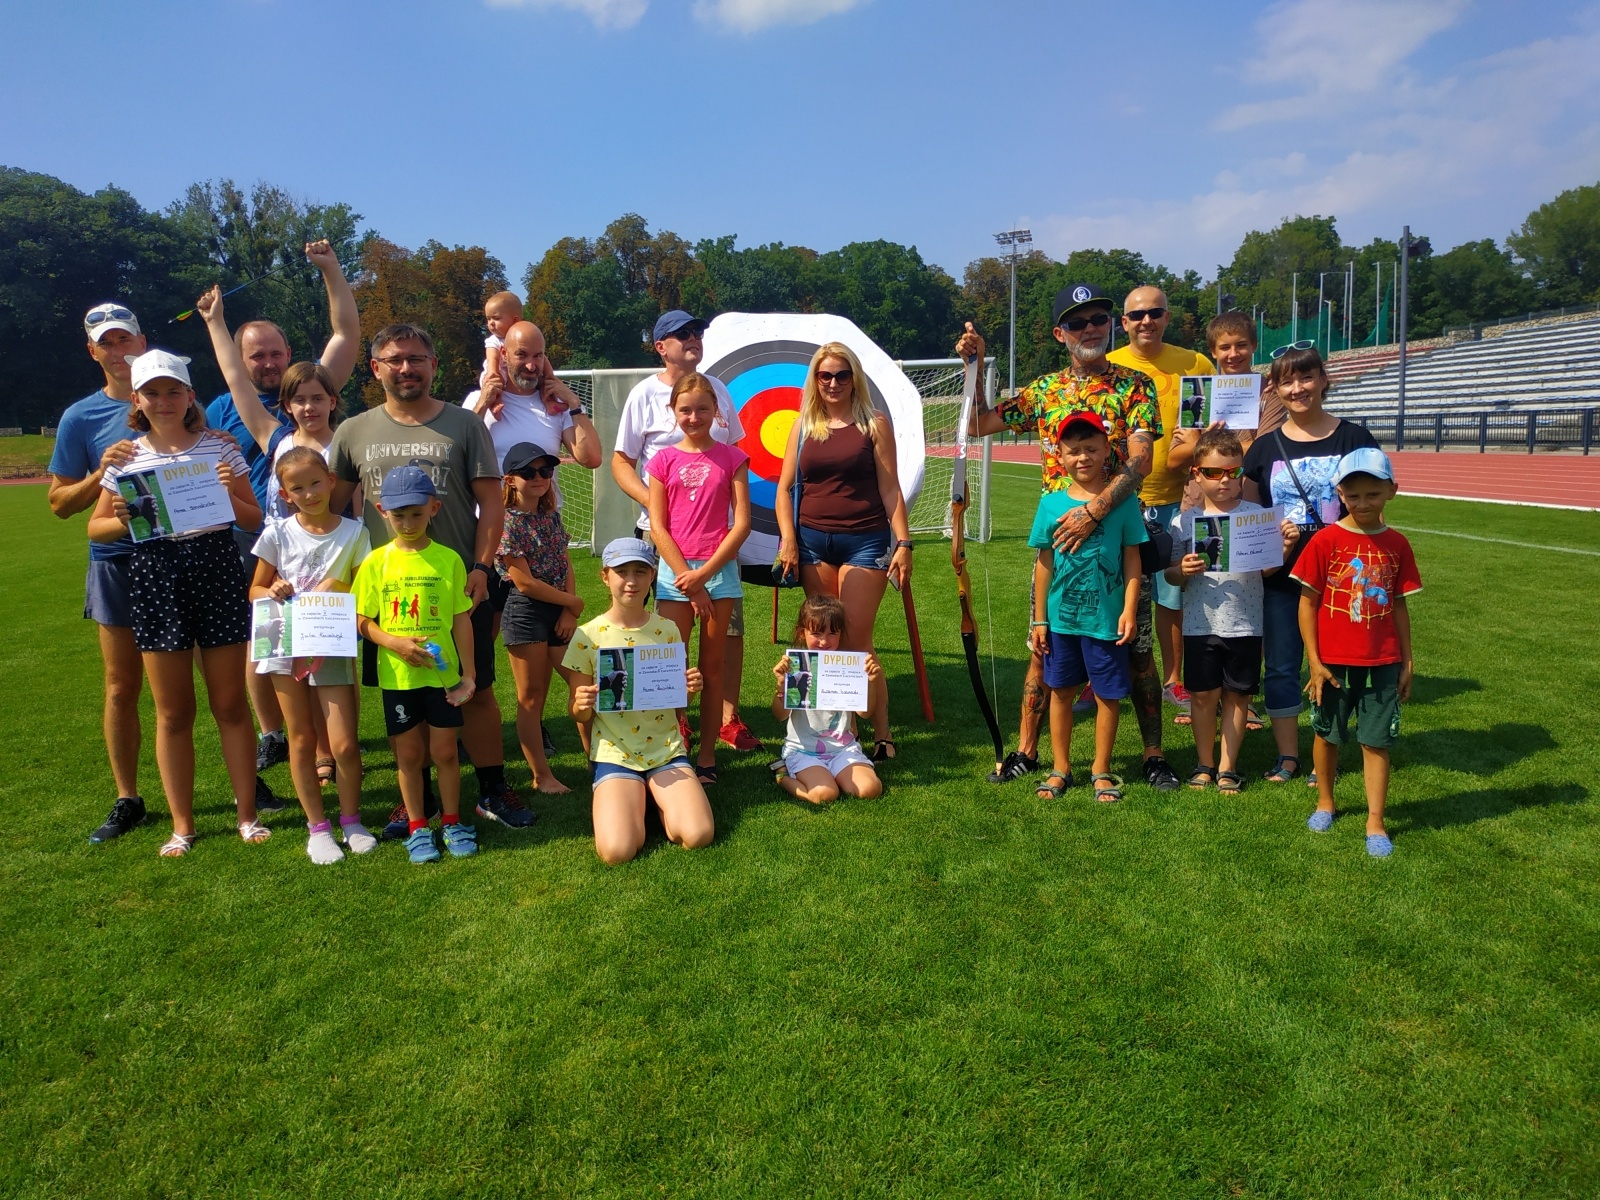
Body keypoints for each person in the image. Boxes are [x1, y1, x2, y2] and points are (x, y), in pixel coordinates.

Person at [959, 286, 1178, 791]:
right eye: (1078, 324)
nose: (1090, 329)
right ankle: (1029, 752)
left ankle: (1152, 755)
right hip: (1059, 539)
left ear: (1111, 325)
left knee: (1136, 647)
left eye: (1099, 319)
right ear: (1061, 334)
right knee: (1046, 651)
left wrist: (1097, 511)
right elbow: (978, 421)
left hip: (1119, 535)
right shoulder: (1044, 391)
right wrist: (979, 363)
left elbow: (1141, 459)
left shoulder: (1134, 385)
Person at [327, 324, 526, 830]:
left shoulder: (464, 425)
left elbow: (490, 504)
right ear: (376, 369)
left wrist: (483, 568)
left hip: (458, 586)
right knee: (404, 697)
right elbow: (331, 512)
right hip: (390, 593)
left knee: (474, 688)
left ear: (434, 364)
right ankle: (418, 799)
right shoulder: (353, 431)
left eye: (416, 358)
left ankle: (491, 789)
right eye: (394, 360)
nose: (406, 368)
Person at [85, 350, 266, 857]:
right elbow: (95, 528)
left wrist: (230, 497)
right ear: (138, 400)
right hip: (155, 574)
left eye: (173, 391)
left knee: (230, 704)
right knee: (173, 712)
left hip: (215, 569)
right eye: (153, 393)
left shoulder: (220, 447)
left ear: (189, 396)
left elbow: (253, 522)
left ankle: (246, 814)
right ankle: (182, 825)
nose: (164, 401)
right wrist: (121, 517)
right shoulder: (125, 457)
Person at [205, 241, 360, 780]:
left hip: (336, 565)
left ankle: (337, 750)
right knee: (287, 663)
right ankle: (310, 750)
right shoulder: (273, 438)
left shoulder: (346, 442)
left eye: (320, 398)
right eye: (301, 400)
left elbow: (346, 334)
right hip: (281, 567)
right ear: (289, 405)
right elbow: (233, 377)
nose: (310, 407)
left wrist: (331, 271)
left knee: (329, 664)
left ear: (333, 399)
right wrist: (215, 322)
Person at [611, 310, 761, 753]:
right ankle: (674, 725)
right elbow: (622, 461)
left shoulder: (719, 392)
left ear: (712, 410)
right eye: (681, 335)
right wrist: (658, 502)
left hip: (715, 550)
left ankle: (727, 720)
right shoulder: (643, 395)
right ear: (661, 346)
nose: (692, 339)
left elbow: (730, 457)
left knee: (726, 634)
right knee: (661, 645)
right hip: (663, 541)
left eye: (696, 332)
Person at [1241, 345, 1380, 785]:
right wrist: (1270, 546)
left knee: (1341, 666)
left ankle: (1332, 749)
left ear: (1323, 378)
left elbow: (1373, 508)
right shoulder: (1264, 448)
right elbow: (1247, 518)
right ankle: (1288, 756)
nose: (1297, 388)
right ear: (1275, 390)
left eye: (1305, 378)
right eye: (1286, 381)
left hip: (1343, 578)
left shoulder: (1355, 438)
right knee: (1282, 666)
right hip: (1283, 576)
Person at [774, 342, 912, 760]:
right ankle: (841, 730)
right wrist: (789, 539)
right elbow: (784, 490)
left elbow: (890, 488)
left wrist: (903, 543)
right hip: (813, 543)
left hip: (865, 540)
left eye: (842, 375)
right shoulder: (803, 426)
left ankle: (882, 731)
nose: (833, 383)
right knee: (824, 639)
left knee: (855, 640)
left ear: (855, 378)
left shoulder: (874, 423)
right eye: (825, 375)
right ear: (815, 379)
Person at [48, 303, 149, 841]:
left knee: (213, 682)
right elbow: (60, 503)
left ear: (142, 340)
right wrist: (99, 474)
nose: (118, 350)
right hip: (115, 564)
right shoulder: (79, 417)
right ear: (93, 352)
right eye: (106, 343)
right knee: (120, 687)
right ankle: (127, 797)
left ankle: (247, 781)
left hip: (180, 559)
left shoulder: (177, 399)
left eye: (125, 339)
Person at [248, 448, 374, 863]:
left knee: (344, 744)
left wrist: (341, 587)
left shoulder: (354, 533)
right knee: (300, 738)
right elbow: (254, 591)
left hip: (331, 642)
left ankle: (352, 820)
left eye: (316, 482)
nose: (309, 493)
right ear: (285, 494)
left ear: (332, 481)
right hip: (283, 641)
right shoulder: (277, 534)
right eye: (297, 488)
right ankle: (317, 827)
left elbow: (363, 590)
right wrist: (273, 590)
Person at [1293, 449, 1420, 857]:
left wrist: (1407, 659)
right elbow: (1307, 602)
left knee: (1376, 741)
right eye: (1353, 495)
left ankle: (1375, 820)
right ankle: (1326, 801)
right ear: (1340, 494)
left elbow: (1399, 604)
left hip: (1383, 661)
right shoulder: (1325, 540)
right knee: (1327, 734)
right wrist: (1313, 660)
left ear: (1392, 492)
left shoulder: (1398, 544)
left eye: (1373, 494)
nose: (1363, 503)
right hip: (1331, 662)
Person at [563, 538, 715, 866]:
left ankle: (654, 801)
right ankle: (633, 798)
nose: (631, 581)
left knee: (698, 835)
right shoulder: (588, 636)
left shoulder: (668, 630)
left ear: (652, 576)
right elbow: (577, 713)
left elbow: (677, 704)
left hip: (666, 749)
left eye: (640, 572)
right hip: (615, 753)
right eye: (622, 572)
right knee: (617, 851)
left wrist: (690, 689)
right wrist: (582, 702)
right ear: (605, 576)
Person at [353, 466, 479, 864]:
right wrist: (393, 642)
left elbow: (461, 620)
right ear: (381, 511)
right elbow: (359, 619)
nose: (407, 523)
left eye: (416, 514)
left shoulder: (449, 560)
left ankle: (454, 821)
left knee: (444, 752)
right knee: (408, 756)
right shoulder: (375, 563)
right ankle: (418, 827)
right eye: (398, 515)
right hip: (399, 677)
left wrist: (468, 675)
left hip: (444, 678)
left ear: (434, 508)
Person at [1164, 429, 1300, 794]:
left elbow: (1268, 570)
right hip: (1198, 624)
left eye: (1232, 472)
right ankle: (1204, 763)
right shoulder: (1183, 521)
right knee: (1204, 696)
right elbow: (1171, 576)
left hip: (1244, 624)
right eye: (1213, 472)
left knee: (1238, 697)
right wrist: (1183, 570)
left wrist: (1284, 548)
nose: (1224, 480)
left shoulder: (1257, 515)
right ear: (1196, 474)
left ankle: (1228, 767)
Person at [1107, 286, 1216, 722]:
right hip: (1123, 499)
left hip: (1179, 497)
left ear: (1167, 317)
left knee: (1175, 593)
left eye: (1155, 313)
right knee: (1116, 592)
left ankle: (1175, 680)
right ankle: (1107, 676)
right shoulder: (1110, 364)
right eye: (1137, 315)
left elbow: (1206, 422)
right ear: (1125, 322)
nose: (1146, 321)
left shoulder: (1194, 363)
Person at [1026, 413, 1147, 803]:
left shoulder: (1123, 504)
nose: (1082, 458)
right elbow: (1044, 564)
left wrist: (1129, 609)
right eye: (1073, 451)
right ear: (1058, 456)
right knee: (1060, 691)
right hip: (1061, 620)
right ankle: (1061, 767)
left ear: (1107, 450)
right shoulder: (1050, 505)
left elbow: (1132, 560)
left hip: (1106, 620)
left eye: (1091, 449)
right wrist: (1040, 618)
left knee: (1106, 694)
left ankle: (1101, 769)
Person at [647, 373, 752, 784]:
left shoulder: (733, 459)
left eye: (702, 409)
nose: (694, 417)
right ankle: (674, 748)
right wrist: (685, 577)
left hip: (718, 572)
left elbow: (740, 525)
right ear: (673, 411)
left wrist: (704, 576)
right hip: (674, 573)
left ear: (717, 412)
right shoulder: (662, 461)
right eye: (685, 409)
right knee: (671, 667)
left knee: (710, 670)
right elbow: (658, 526)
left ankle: (706, 756)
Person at [496, 441, 586, 794]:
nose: (539, 478)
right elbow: (523, 581)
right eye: (528, 472)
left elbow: (566, 564)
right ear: (510, 480)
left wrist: (568, 609)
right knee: (532, 697)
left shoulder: (551, 515)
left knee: (582, 683)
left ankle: (597, 758)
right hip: (525, 612)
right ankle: (541, 775)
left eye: (545, 471)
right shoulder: (506, 522)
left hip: (558, 609)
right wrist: (572, 602)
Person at [771, 594, 884, 805]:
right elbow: (779, 715)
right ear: (802, 632)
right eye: (816, 633)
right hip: (804, 751)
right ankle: (782, 774)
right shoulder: (796, 666)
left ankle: (833, 774)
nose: (824, 641)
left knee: (871, 789)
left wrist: (871, 682)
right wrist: (781, 686)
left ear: (841, 634)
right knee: (825, 794)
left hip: (843, 749)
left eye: (833, 633)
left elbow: (865, 713)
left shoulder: (849, 667)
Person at [479, 290, 522, 389]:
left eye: (496, 318)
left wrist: (548, 374)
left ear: (515, 321)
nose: (491, 323)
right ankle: (496, 401)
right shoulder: (494, 340)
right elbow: (492, 358)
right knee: (496, 383)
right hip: (497, 370)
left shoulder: (522, 338)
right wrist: (493, 374)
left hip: (515, 373)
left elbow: (541, 356)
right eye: (488, 319)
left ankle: (549, 401)